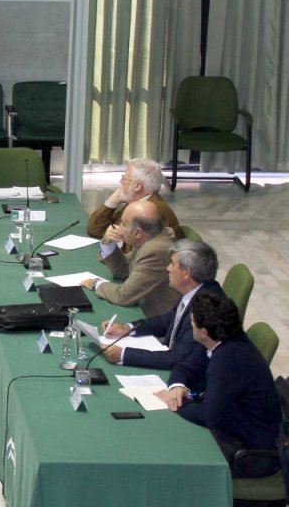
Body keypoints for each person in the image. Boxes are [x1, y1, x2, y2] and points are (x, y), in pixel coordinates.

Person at [157, 291, 281, 479]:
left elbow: (209, 416)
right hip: (234, 429)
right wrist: (177, 387)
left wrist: (175, 403)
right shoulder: (219, 338)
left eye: (192, 323)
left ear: (203, 331)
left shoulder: (228, 360)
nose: (191, 327)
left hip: (250, 454)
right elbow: (185, 368)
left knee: (174, 462)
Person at [99, 239, 224, 369]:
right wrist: (128, 328)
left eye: (172, 263)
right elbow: (166, 321)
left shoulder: (206, 309)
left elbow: (179, 358)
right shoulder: (196, 290)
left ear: (186, 273)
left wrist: (124, 354)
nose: (167, 268)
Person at [80, 199, 180, 317]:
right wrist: (108, 243)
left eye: (123, 224)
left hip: (155, 320)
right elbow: (123, 270)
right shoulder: (150, 236)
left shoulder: (155, 251)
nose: (117, 227)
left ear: (138, 233)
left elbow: (123, 296)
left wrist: (95, 284)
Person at [87, 158, 183, 242]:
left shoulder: (149, 211)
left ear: (137, 186)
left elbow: (132, 253)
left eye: (124, 179)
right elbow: (95, 230)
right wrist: (112, 202)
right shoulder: (137, 203)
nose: (121, 182)